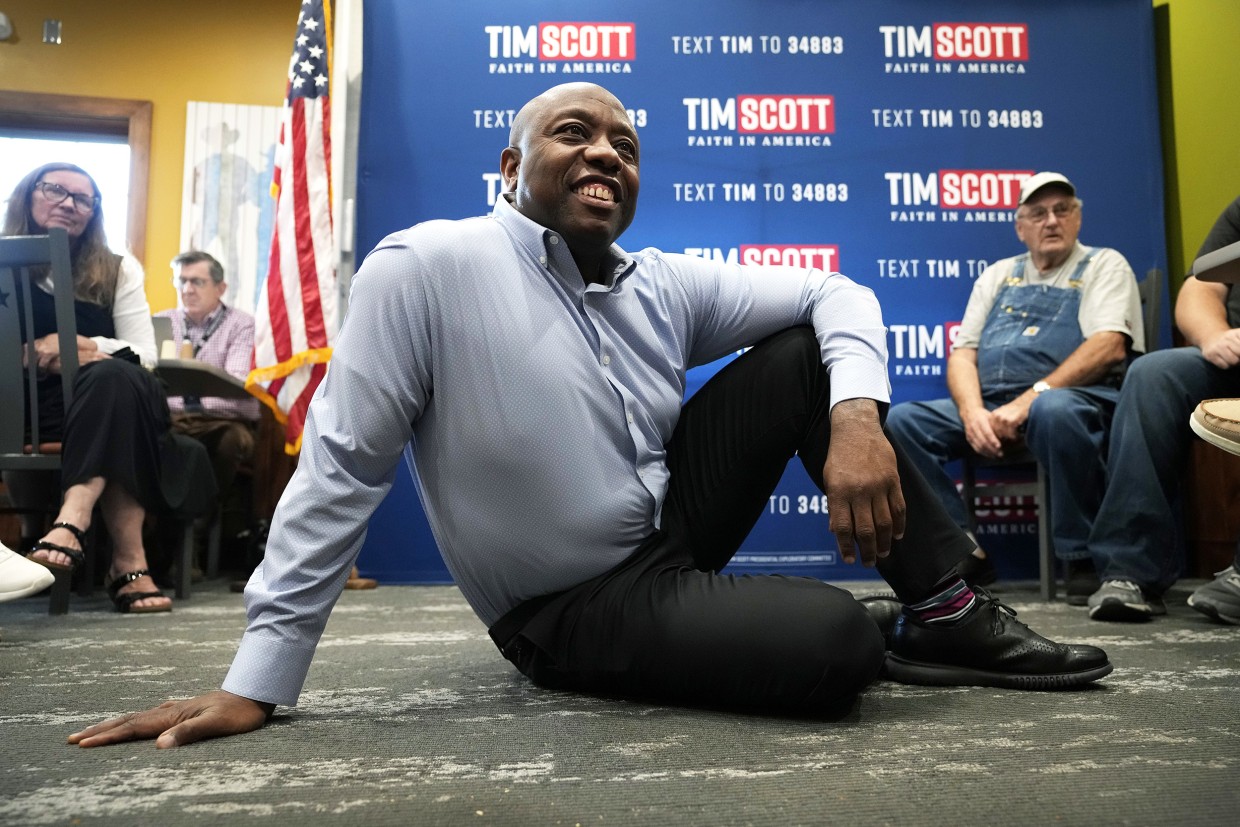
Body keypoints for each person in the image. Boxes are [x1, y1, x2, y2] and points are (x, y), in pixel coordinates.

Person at [67, 84, 1110, 750]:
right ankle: (873, 625)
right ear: (511, 170)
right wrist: (262, 674)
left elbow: (837, 295)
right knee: (830, 641)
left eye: (624, 143)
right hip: (567, 608)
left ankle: (944, 610)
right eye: (573, 133)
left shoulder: (661, 281)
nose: (606, 152)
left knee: (807, 354)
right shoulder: (426, 266)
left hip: (665, 533)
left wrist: (853, 415)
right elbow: (342, 464)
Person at [885, 172, 1145, 603]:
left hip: (1075, 397)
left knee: (1054, 410)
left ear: (1077, 219)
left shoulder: (1103, 264)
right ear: (1020, 226)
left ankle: (1079, 556)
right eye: (1038, 213)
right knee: (904, 422)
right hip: (993, 404)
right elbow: (963, 353)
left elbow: (1109, 346)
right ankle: (963, 552)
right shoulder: (999, 275)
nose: (1051, 221)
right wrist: (972, 414)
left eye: (1062, 210)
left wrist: (1029, 400)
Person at [2, 163, 216, 613]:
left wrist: (86, 346)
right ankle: (128, 564)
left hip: (96, 399)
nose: (69, 203)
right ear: (28, 194)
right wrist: (31, 353)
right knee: (117, 394)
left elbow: (145, 352)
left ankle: (72, 519)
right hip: (21, 407)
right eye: (56, 190)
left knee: (115, 378)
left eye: (83, 198)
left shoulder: (118, 270)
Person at [1084, 195, 1240, 623]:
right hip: (1233, 354)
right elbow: (1202, 286)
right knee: (1154, 374)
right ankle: (1130, 572)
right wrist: (1214, 335)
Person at [155, 251, 259, 544]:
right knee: (143, 436)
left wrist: (192, 399)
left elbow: (238, 386)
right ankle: (156, 533)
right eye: (182, 281)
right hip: (172, 419)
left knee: (228, 443)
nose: (187, 290)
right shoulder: (163, 321)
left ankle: (194, 533)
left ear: (220, 288)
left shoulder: (241, 324)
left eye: (197, 282)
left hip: (222, 422)